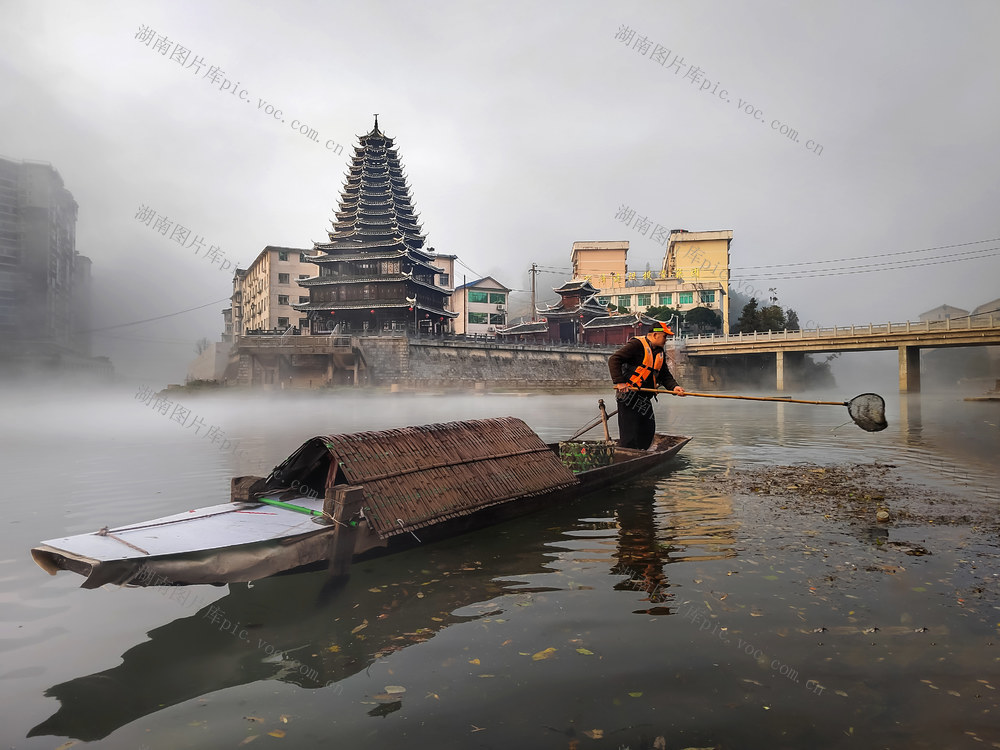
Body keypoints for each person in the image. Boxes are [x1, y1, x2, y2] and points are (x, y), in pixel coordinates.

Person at [608, 322, 685, 449]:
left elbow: (664, 374)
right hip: (628, 396)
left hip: (644, 397)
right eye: (664, 336)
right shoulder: (636, 345)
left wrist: (674, 387)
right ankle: (628, 454)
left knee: (648, 429)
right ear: (655, 335)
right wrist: (620, 382)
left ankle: (642, 452)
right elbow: (614, 359)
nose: (666, 340)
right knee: (630, 432)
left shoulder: (659, 352)